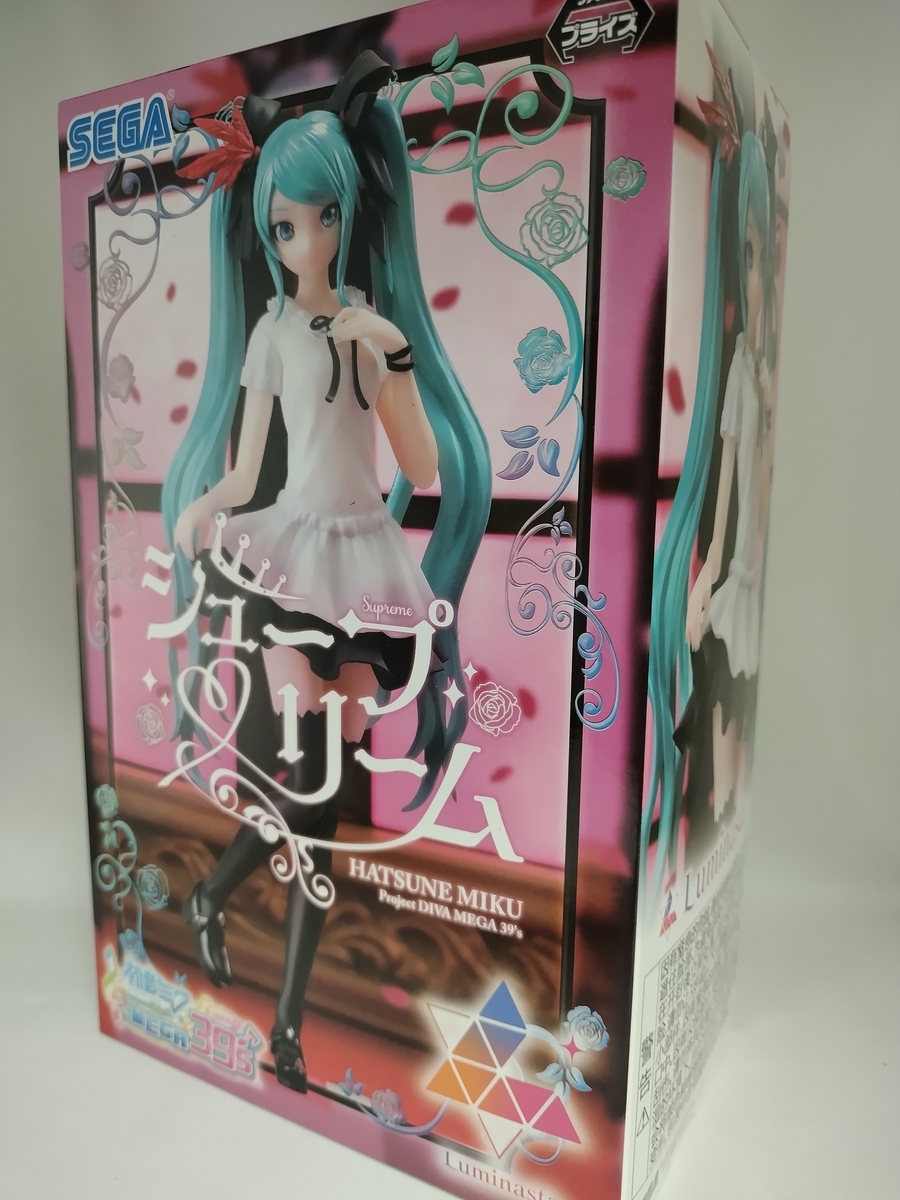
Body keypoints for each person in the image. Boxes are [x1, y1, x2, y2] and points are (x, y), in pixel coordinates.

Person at [161, 53, 491, 1090]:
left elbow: (423, 469)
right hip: (294, 558)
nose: (304, 241)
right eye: (285, 227)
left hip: (364, 562)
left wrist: (394, 356)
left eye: (322, 218)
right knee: (301, 792)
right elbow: (250, 466)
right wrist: (204, 506)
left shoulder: (373, 329)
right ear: (270, 234)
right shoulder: (269, 333)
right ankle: (226, 915)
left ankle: (281, 1017)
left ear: (349, 215)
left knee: (328, 810)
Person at [643, 96, 778, 897]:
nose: (756, 277)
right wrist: (705, 580)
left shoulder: (764, 376)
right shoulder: (738, 377)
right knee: (713, 723)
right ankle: (688, 869)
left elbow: (751, 494)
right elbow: (725, 500)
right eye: (747, 256)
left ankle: (704, 870)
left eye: (763, 255)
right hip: (732, 584)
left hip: (751, 584)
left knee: (731, 735)